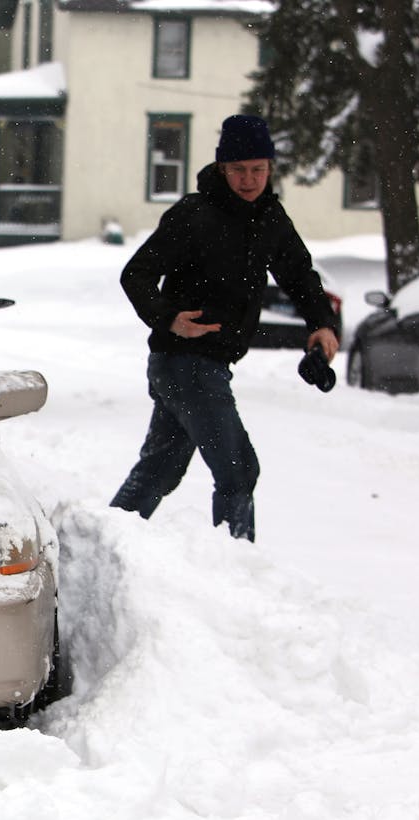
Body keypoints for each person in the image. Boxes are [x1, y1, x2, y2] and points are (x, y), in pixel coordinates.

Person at [111, 114, 340, 541]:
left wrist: (321, 324)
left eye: (258, 169)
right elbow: (136, 274)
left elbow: (299, 274)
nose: (249, 180)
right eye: (239, 170)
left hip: (203, 366)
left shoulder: (269, 217)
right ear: (222, 169)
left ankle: (101, 539)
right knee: (239, 470)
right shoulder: (194, 215)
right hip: (185, 362)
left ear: (270, 169)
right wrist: (169, 318)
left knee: (160, 471)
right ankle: (234, 573)